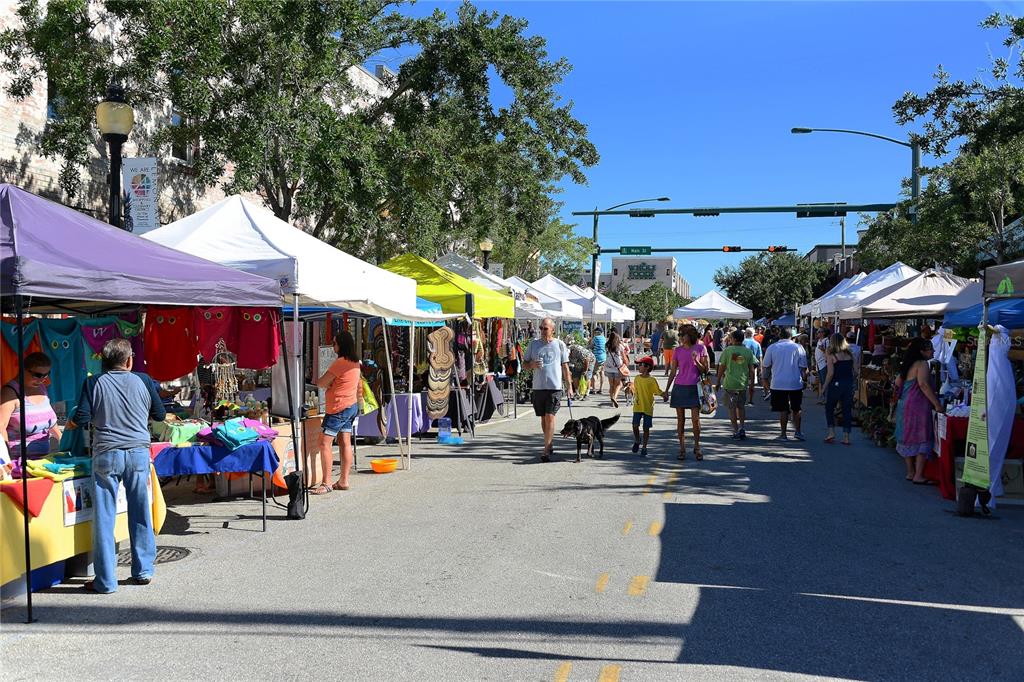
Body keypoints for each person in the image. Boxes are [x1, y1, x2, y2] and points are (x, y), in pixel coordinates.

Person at [67, 339, 165, 593]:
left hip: (106, 454)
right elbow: (160, 415)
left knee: (104, 517)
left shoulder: (93, 382)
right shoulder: (143, 380)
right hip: (138, 454)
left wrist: (72, 423)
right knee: (141, 511)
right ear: (129, 360)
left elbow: (83, 417)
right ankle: (143, 570)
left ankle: (106, 581)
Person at [314, 330, 363, 494]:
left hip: (338, 407)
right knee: (344, 442)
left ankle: (326, 483)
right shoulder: (356, 362)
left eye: (334, 343)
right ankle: (343, 480)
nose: (333, 346)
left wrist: (329, 384)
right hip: (350, 406)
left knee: (324, 442)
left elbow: (321, 382)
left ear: (341, 345)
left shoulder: (340, 362)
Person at [523, 318, 573, 462]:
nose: (543, 331)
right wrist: (532, 364)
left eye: (546, 328)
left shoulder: (559, 345)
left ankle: (545, 449)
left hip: (554, 387)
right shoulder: (534, 344)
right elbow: (524, 364)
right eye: (541, 328)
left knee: (550, 416)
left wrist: (569, 386)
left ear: (553, 329)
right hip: (538, 387)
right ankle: (549, 442)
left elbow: (565, 367)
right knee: (544, 418)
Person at [894, 337, 941, 483]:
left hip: (905, 404)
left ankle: (910, 472)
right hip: (918, 405)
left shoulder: (908, 364)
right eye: (930, 349)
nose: (933, 351)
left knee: (907, 437)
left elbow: (897, 382)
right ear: (922, 351)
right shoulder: (922, 364)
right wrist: (937, 404)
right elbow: (923, 385)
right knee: (922, 437)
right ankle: (918, 475)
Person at [0, 352, 61, 458]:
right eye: (38, 375)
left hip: (42, 461)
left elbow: (49, 421)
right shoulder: (10, 393)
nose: (42, 379)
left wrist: (63, 440)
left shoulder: (41, 388)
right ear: (23, 370)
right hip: (18, 463)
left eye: (46, 374)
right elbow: (1, 427)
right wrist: (7, 458)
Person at [664, 323, 709, 460]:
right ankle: (682, 448)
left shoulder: (701, 348)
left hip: (695, 387)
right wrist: (666, 390)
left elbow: (705, 370)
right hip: (680, 386)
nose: (681, 337)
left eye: (683, 335)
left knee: (695, 420)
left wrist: (696, 360)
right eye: (680, 335)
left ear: (690, 335)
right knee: (680, 420)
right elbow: (673, 372)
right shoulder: (677, 351)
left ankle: (697, 446)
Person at [762, 328, 808, 441]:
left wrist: (765, 382)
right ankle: (798, 431)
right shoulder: (798, 347)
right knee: (796, 408)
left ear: (779, 335)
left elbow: (766, 366)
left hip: (778, 383)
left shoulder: (772, 347)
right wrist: (805, 380)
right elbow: (803, 368)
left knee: (783, 410)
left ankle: (783, 434)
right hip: (795, 382)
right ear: (791, 336)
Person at [717, 330, 755, 440]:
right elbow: (752, 370)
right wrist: (752, 384)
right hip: (743, 383)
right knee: (741, 407)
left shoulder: (728, 350)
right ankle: (742, 427)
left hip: (730, 384)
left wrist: (718, 381)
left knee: (731, 408)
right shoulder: (748, 352)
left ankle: (735, 430)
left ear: (734, 339)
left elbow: (722, 367)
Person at [823, 333, 856, 445]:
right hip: (848, 384)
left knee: (829, 408)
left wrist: (824, 387)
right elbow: (855, 371)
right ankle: (846, 437)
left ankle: (831, 433)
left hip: (836, 384)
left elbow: (830, 373)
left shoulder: (831, 354)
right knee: (846, 410)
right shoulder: (850, 354)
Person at [631, 356, 661, 457]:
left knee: (646, 428)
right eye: (638, 365)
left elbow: (657, 391)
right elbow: (636, 390)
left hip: (648, 406)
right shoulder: (637, 378)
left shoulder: (652, 380)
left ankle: (644, 447)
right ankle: (637, 440)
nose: (639, 367)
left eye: (641, 365)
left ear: (647, 367)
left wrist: (664, 395)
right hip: (638, 406)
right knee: (635, 425)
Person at [603, 330, 628, 408]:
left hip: (608, 367)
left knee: (611, 385)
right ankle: (614, 397)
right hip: (618, 368)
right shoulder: (619, 346)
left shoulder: (606, 346)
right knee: (618, 384)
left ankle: (612, 402)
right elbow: (624, 358)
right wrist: (626, 363)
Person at [742, 328, 763, 406]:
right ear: (753, 334)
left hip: (742, 365)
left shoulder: (742, 342)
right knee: (751, 384)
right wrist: (760, 368)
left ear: (745, 334)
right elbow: (759, 357)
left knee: (743, 383)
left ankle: (742, 399)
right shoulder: (757, 344)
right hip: (753, 366)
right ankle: (750, 400)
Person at [813, 329, 829, 404]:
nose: (817, 333)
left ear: (823, 333)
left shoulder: (827, 341)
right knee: (822, 382)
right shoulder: (819, 341)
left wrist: (823, 349)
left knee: (825, 382)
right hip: (819, 364)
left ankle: (827, 399)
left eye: (819, 332)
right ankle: (824, 398)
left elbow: (829, 352)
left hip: (824, 364)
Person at [590, 326, 607, 395]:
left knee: (594, 373)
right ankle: (601, 389)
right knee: (601, 373)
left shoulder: (595, 338)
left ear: (597, 332)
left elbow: (591, 346)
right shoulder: (604, 338)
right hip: (604, 357)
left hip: (597, 357)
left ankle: (594, 389)